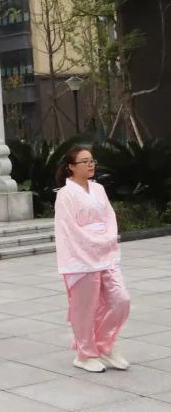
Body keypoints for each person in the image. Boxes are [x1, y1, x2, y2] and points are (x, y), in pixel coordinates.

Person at [54, 145, 130, 373]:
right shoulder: (65, 195)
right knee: (84, 309)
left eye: (92, 160)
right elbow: (68, 228)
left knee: (121, 300)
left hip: (105, 252)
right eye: (84, 161)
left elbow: (110, 217)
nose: (90, 165)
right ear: (71, 167)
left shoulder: (98, 189)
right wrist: (92, 241)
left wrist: (107, 238)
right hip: (81, 256)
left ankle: (104, 344)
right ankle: (85, 354)